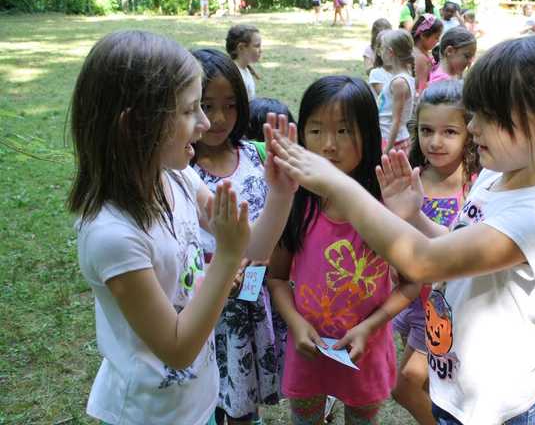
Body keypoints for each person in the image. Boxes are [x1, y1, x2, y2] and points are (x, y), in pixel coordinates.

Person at [267, 35, 535, 425]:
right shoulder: (495, 178)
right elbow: (457, 247)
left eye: (486, 117)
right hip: (456, 382)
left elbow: (424, 264)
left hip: (496, 401)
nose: (472, 127)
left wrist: (338, 185)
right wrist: (415, 217)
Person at [69, 30, 256, 424]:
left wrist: (285, 193)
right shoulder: (112, 235)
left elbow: (251, 243)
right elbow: (176, 348)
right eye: (190, 110)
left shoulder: (173, 177)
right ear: (136, 126)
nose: (205, 124)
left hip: (199, 397)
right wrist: (225, 257)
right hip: (150, 413)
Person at [267, 76, 420, 425]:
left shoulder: (384, 207)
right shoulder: (295, 203)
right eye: (316, 130)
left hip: (365, 350)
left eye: (344, 131)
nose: (328, 145)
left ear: (367, 134)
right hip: (308, 348)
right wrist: (295, 323)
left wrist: (371, 326)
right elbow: (276, 278)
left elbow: (411, 283)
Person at [189, 49, 294, 425]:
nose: (218, 119)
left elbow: (275, 224)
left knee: (246, 394)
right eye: (205, 105)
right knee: (214, 393)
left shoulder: (254, 155)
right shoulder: (180, 172)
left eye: (230, 105)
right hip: (207, 308)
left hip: (255, 300)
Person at [391, 80, 479, 425]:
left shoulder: (476, 184)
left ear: (469, 133)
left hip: (447, 307)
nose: (435, 141)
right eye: (427, 130)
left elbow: (463, 250)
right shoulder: (412, 175)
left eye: (449, 132)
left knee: (405, 384)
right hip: (408, 299)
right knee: (429, 384)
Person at [377, 29, 416, 154]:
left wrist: (387, 149)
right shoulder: (399, 77)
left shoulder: (399, 82)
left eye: (382, 49)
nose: (380, 53)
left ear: (390, 52)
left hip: (394, 142)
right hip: (389, 138)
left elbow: (396, 120)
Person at [226, 24, 262, 101]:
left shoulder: (244, 69)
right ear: (241, 48)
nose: (261, 50)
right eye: (257, 46)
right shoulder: (236, 76)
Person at [411, 14, 443, 94]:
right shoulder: (420, 58)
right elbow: (421, 87)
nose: (438, 40)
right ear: (423, 35)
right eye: (436, 37)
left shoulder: (420, 52)